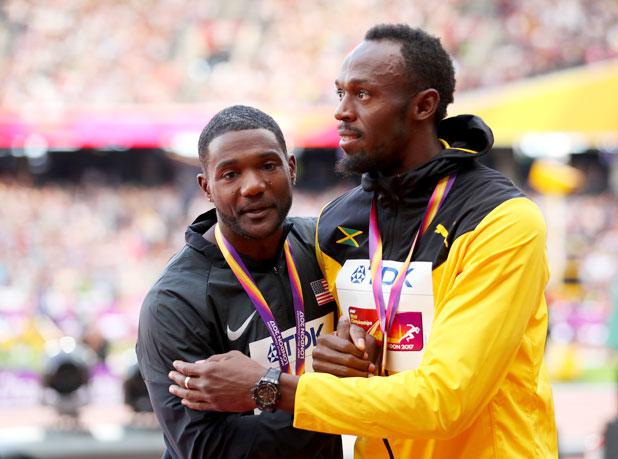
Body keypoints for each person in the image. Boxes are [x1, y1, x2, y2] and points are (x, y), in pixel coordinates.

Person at [168, 24, 558, 458]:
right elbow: (345, 349)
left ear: (423, 106)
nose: (342, 112)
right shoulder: (336, 224)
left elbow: (446, 400)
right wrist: (336, 352)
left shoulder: (501, 221)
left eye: (363, 95)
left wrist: (270, 387)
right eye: (340, 94)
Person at [136, 105, 343, 458]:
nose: (253, 186)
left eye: (267, 165)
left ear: (291, 168)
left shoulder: (322, 245)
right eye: (230, 174)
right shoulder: (175, 302)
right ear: (207, 187)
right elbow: (206, 447)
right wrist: (343, 409)